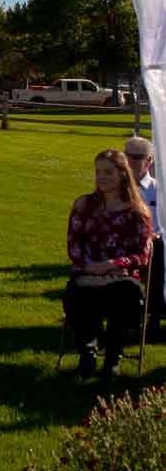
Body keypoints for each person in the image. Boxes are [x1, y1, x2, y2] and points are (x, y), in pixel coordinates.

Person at [64, 148, 152, 378]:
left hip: (120, 276)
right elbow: (74, 246)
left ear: (123, 174)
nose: (101, 176)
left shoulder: (137, 212)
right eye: (98, 171)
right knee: (77, 293)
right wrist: (89, 266)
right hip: (87, 273)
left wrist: (112, 264)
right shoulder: (84, 205)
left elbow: (142, 255)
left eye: (108, 172)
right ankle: (87, 353)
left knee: (128, 294)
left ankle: (113, 356)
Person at [124, 136, 165, 339]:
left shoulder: (160, 189)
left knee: (158, 254)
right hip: (122, 244)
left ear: (149, 161)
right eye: (125, 157)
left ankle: (154, 317)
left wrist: (156, 235)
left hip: (153, 244)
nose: (128, 163)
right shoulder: (117, 189)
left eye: (135, 158)